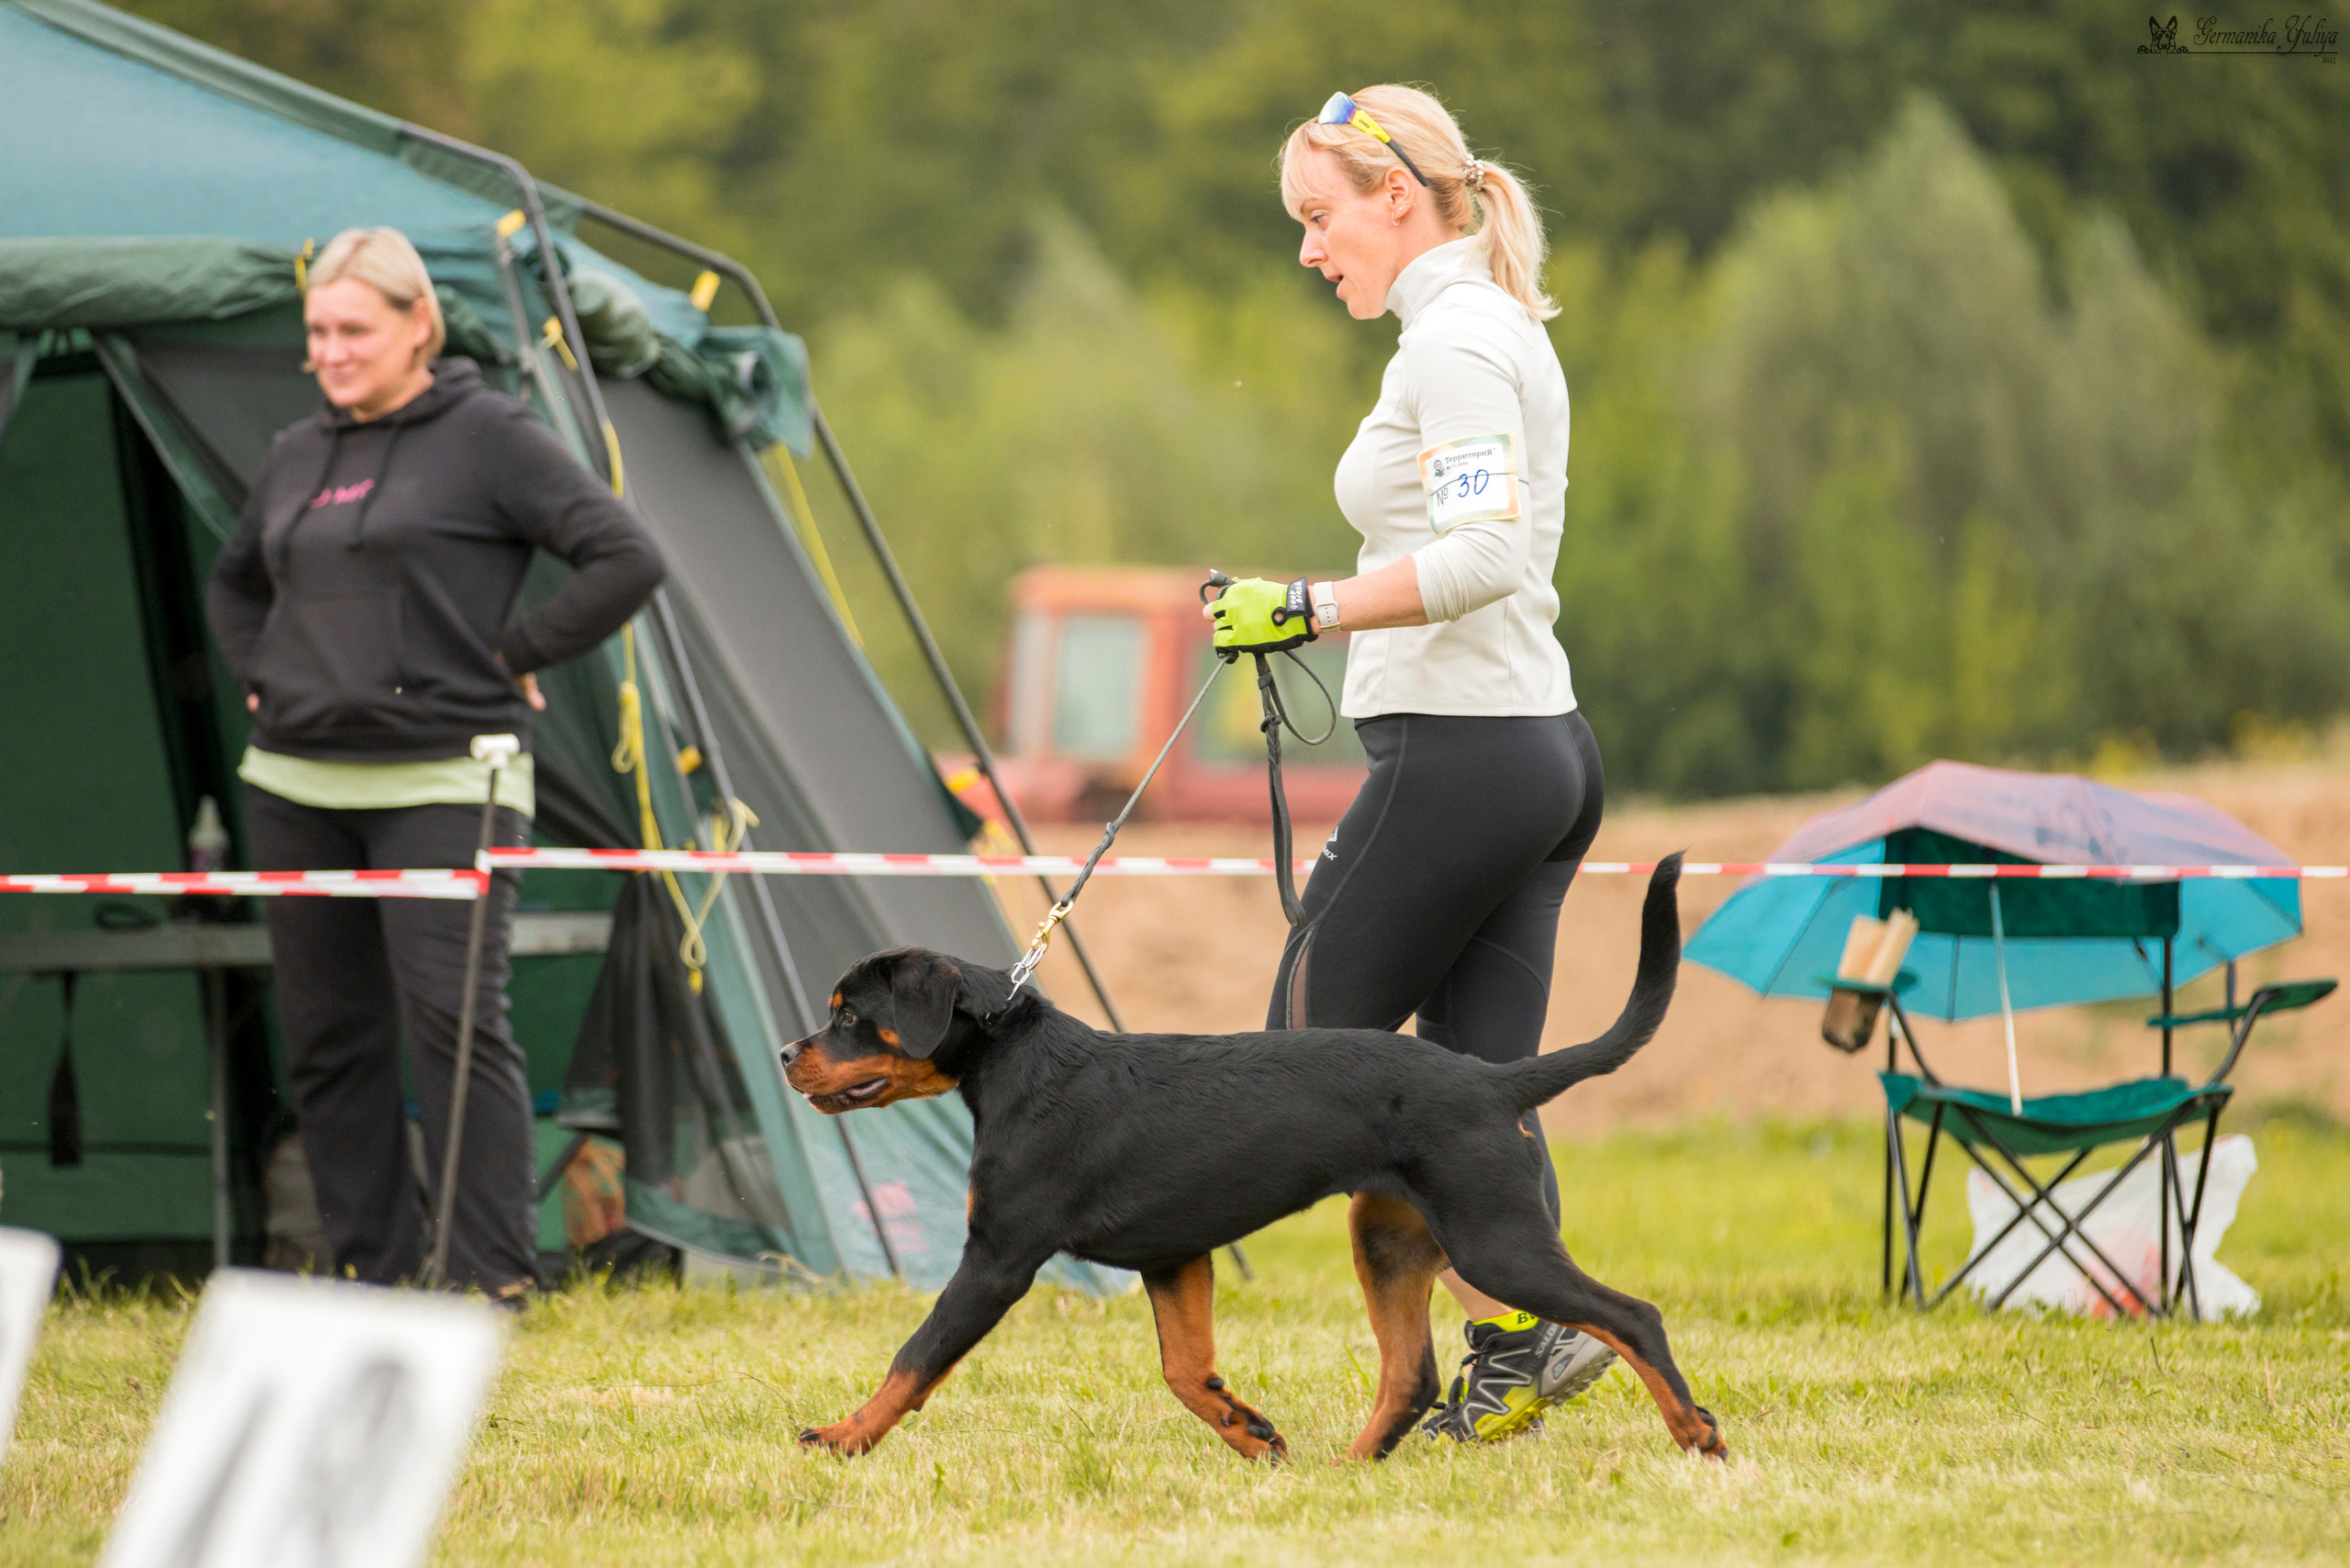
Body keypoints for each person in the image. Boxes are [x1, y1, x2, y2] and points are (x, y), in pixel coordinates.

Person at [1208, 86, 1611, 1441]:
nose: (1311, 250)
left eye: (1320, 219)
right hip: (1529, 751)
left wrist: (1308, 606)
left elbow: (1486, 556)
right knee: (1473, 1085)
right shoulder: (1470, 330)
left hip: (1469, 759)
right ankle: (1522, 1346)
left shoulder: (1453, 343)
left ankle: (1473, 1348)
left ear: (1398, 196)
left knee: (1299, 1067)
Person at [207, 228, 665, 1300]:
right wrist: (259, 674)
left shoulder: (490, 436)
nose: (330, 350)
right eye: (316, 331)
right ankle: (367, 1271)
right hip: (294, 784)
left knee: (454, 1028)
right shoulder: (294, 450)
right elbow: (236, 582)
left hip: (449, 777)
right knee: (329, 1041)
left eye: (353, 329)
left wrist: (509, 653)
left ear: (420, 326)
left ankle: (489, 1278)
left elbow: (626, 555)